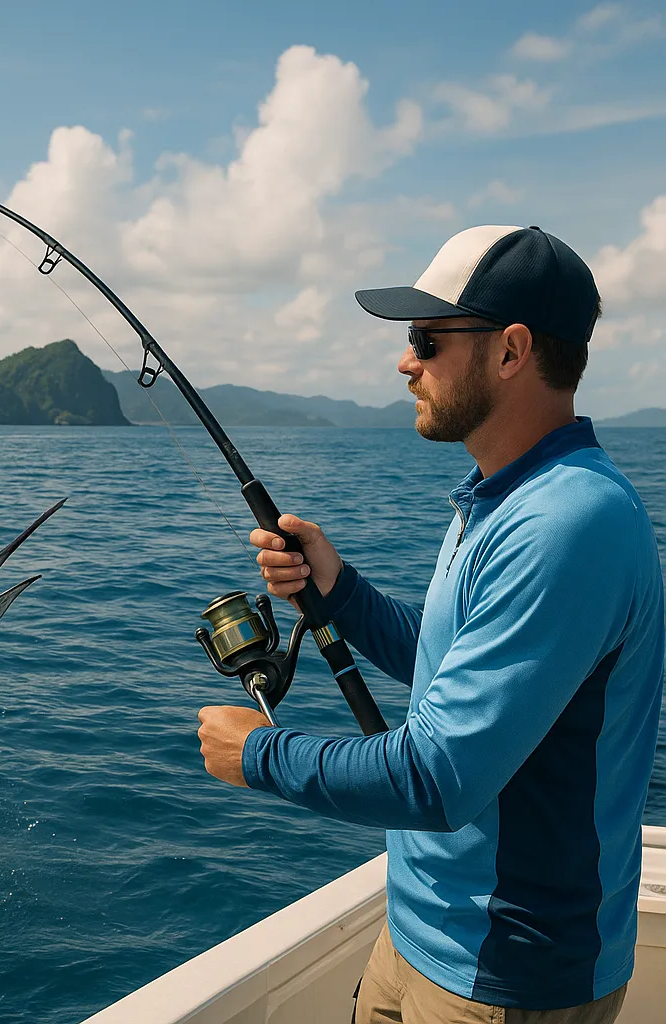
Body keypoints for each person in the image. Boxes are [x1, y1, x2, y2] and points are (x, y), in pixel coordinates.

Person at [197, 225, 664, 1023]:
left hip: (504, 974)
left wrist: (259, 754)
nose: (405, 360)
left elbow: (437, 777)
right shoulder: (500, 496)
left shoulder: (567, 523)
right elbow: (450, 668)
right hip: (421, 934)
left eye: (427, 338)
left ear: (511, 350)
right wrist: (338, 589)